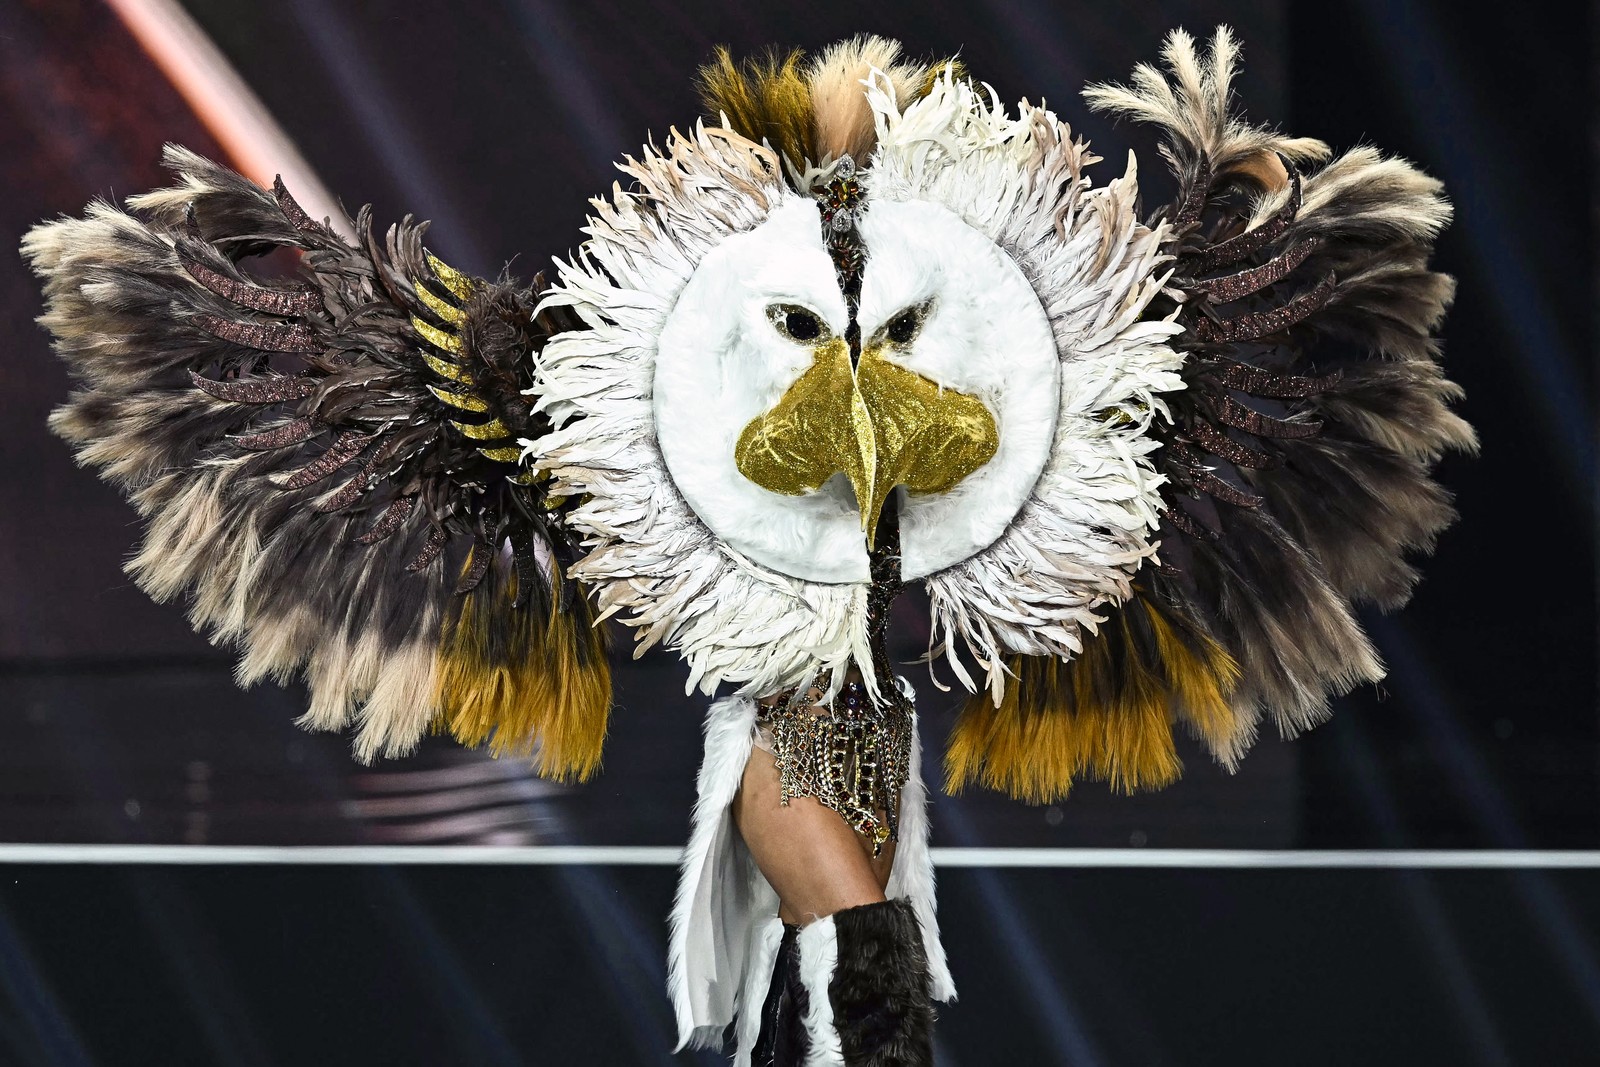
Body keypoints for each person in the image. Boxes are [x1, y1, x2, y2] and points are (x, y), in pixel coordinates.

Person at [24, 28, 1472, 1067]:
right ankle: (840, 981)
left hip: (856, 629)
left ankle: (846, 984)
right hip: (783, 632)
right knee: (814, 860)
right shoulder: (696, 366)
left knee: (831, 858)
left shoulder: (965, 359)